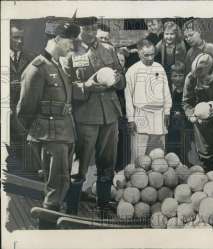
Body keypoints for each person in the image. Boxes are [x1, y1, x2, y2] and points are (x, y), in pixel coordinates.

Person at [16, 22, 80, 219]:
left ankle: (56, 226)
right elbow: (25, 109)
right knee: (55, 187)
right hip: (50, 136)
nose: (72, 46)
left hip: (64, 133)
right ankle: (48, 230)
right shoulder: (37, 68)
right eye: (70, 41)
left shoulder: (56, 65)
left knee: (62, 182)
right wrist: (39, 132)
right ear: (58, 39)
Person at [67, 16, 125, 216]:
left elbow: (121, 80)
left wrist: (118, 80)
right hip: (85, 116)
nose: (91, 32)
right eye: (86, 29)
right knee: (80, 165)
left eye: (93, 28)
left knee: (107, 163)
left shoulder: (108, 49)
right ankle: (71, 209)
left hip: (109, 114)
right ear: (79, 29)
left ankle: (103, 206)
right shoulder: (70, 51)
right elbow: (65, 88)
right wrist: (86, 86)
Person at [125, 39, 172, 161]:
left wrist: (167, 111)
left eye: (152, 54)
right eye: (146, 55)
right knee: (139, 156)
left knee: (158, 155)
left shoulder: (159, 68)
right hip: (141, 115)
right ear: (139, 54)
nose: (150, 58)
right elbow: (128, 97)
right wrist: (131, 118)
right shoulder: (132, 71)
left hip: (159, 115)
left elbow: (166, 91)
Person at [8, 24, 35, 170]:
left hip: (23, 108)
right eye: (15, 37)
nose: (19, 41)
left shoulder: (31, 57)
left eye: (21, 38)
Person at [166, 61, 191, 161]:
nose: (178, 78)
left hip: (185, 123)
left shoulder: (188, 89)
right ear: (170, 77)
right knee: (171, 147)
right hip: (170, 123)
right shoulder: (167, 89)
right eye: (175, 76)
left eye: (181, 75)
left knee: (185, 148)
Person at [156, 21, 187, 89]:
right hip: (166, 69)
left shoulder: (180, 44)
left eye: (172, 34)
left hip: (177, 71)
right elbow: (154, 51)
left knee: (176, 88)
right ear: (163, 34)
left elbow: (183, 61)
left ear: (176, 34)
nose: (169, 37)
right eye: (166, 34)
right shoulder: (162, 43)